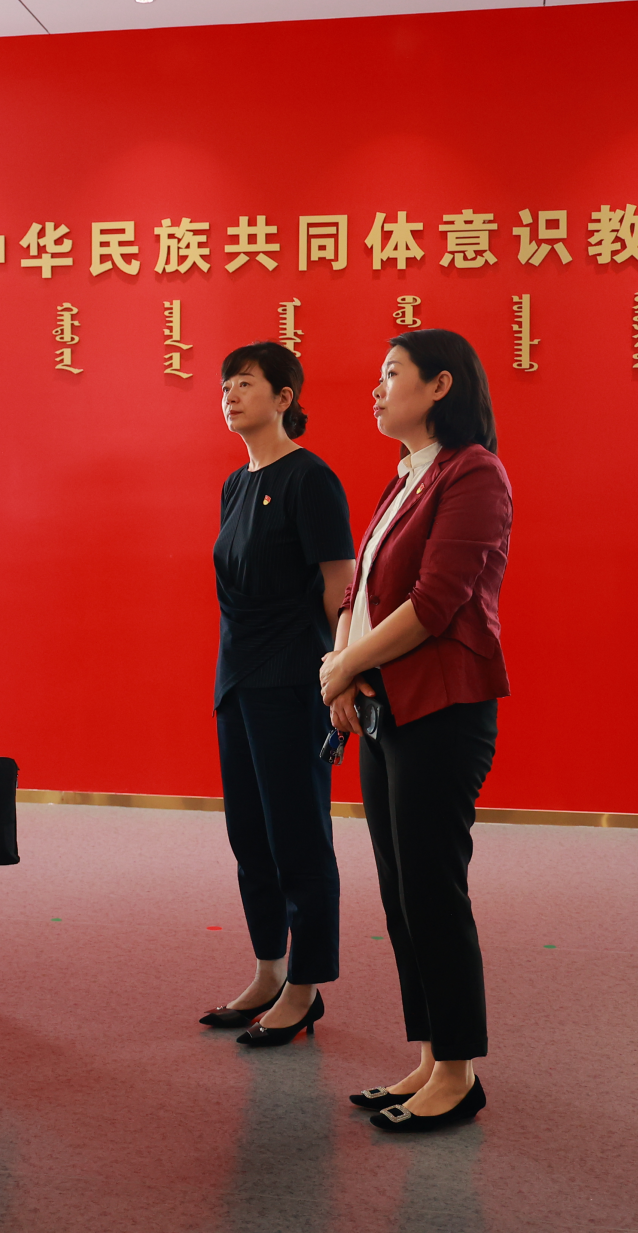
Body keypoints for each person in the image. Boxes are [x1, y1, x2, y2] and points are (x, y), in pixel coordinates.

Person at [319, 330, 511, 1132]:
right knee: (402, 891)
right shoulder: (406, 475)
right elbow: (361, 593)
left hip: (443, 708)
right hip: (387, 706)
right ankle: (431, 1056)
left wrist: (342, 663)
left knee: (433, 887)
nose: (376, 387)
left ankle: (460, 1072)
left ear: (440, 385)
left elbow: (434, 603)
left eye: (391, 373)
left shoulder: (475, 473)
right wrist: (345, 667)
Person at [200, 343, 356, 1046]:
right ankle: (268, 969)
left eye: (245, 383)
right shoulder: (236, 484)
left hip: (293, 679)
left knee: (298, 835)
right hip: (237, 680)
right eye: (225, 386)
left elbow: (339, 587)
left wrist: (338, 669)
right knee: (249, 835)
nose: (230, 395)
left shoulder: (310, 478)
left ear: (284, 397)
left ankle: (305, 984)